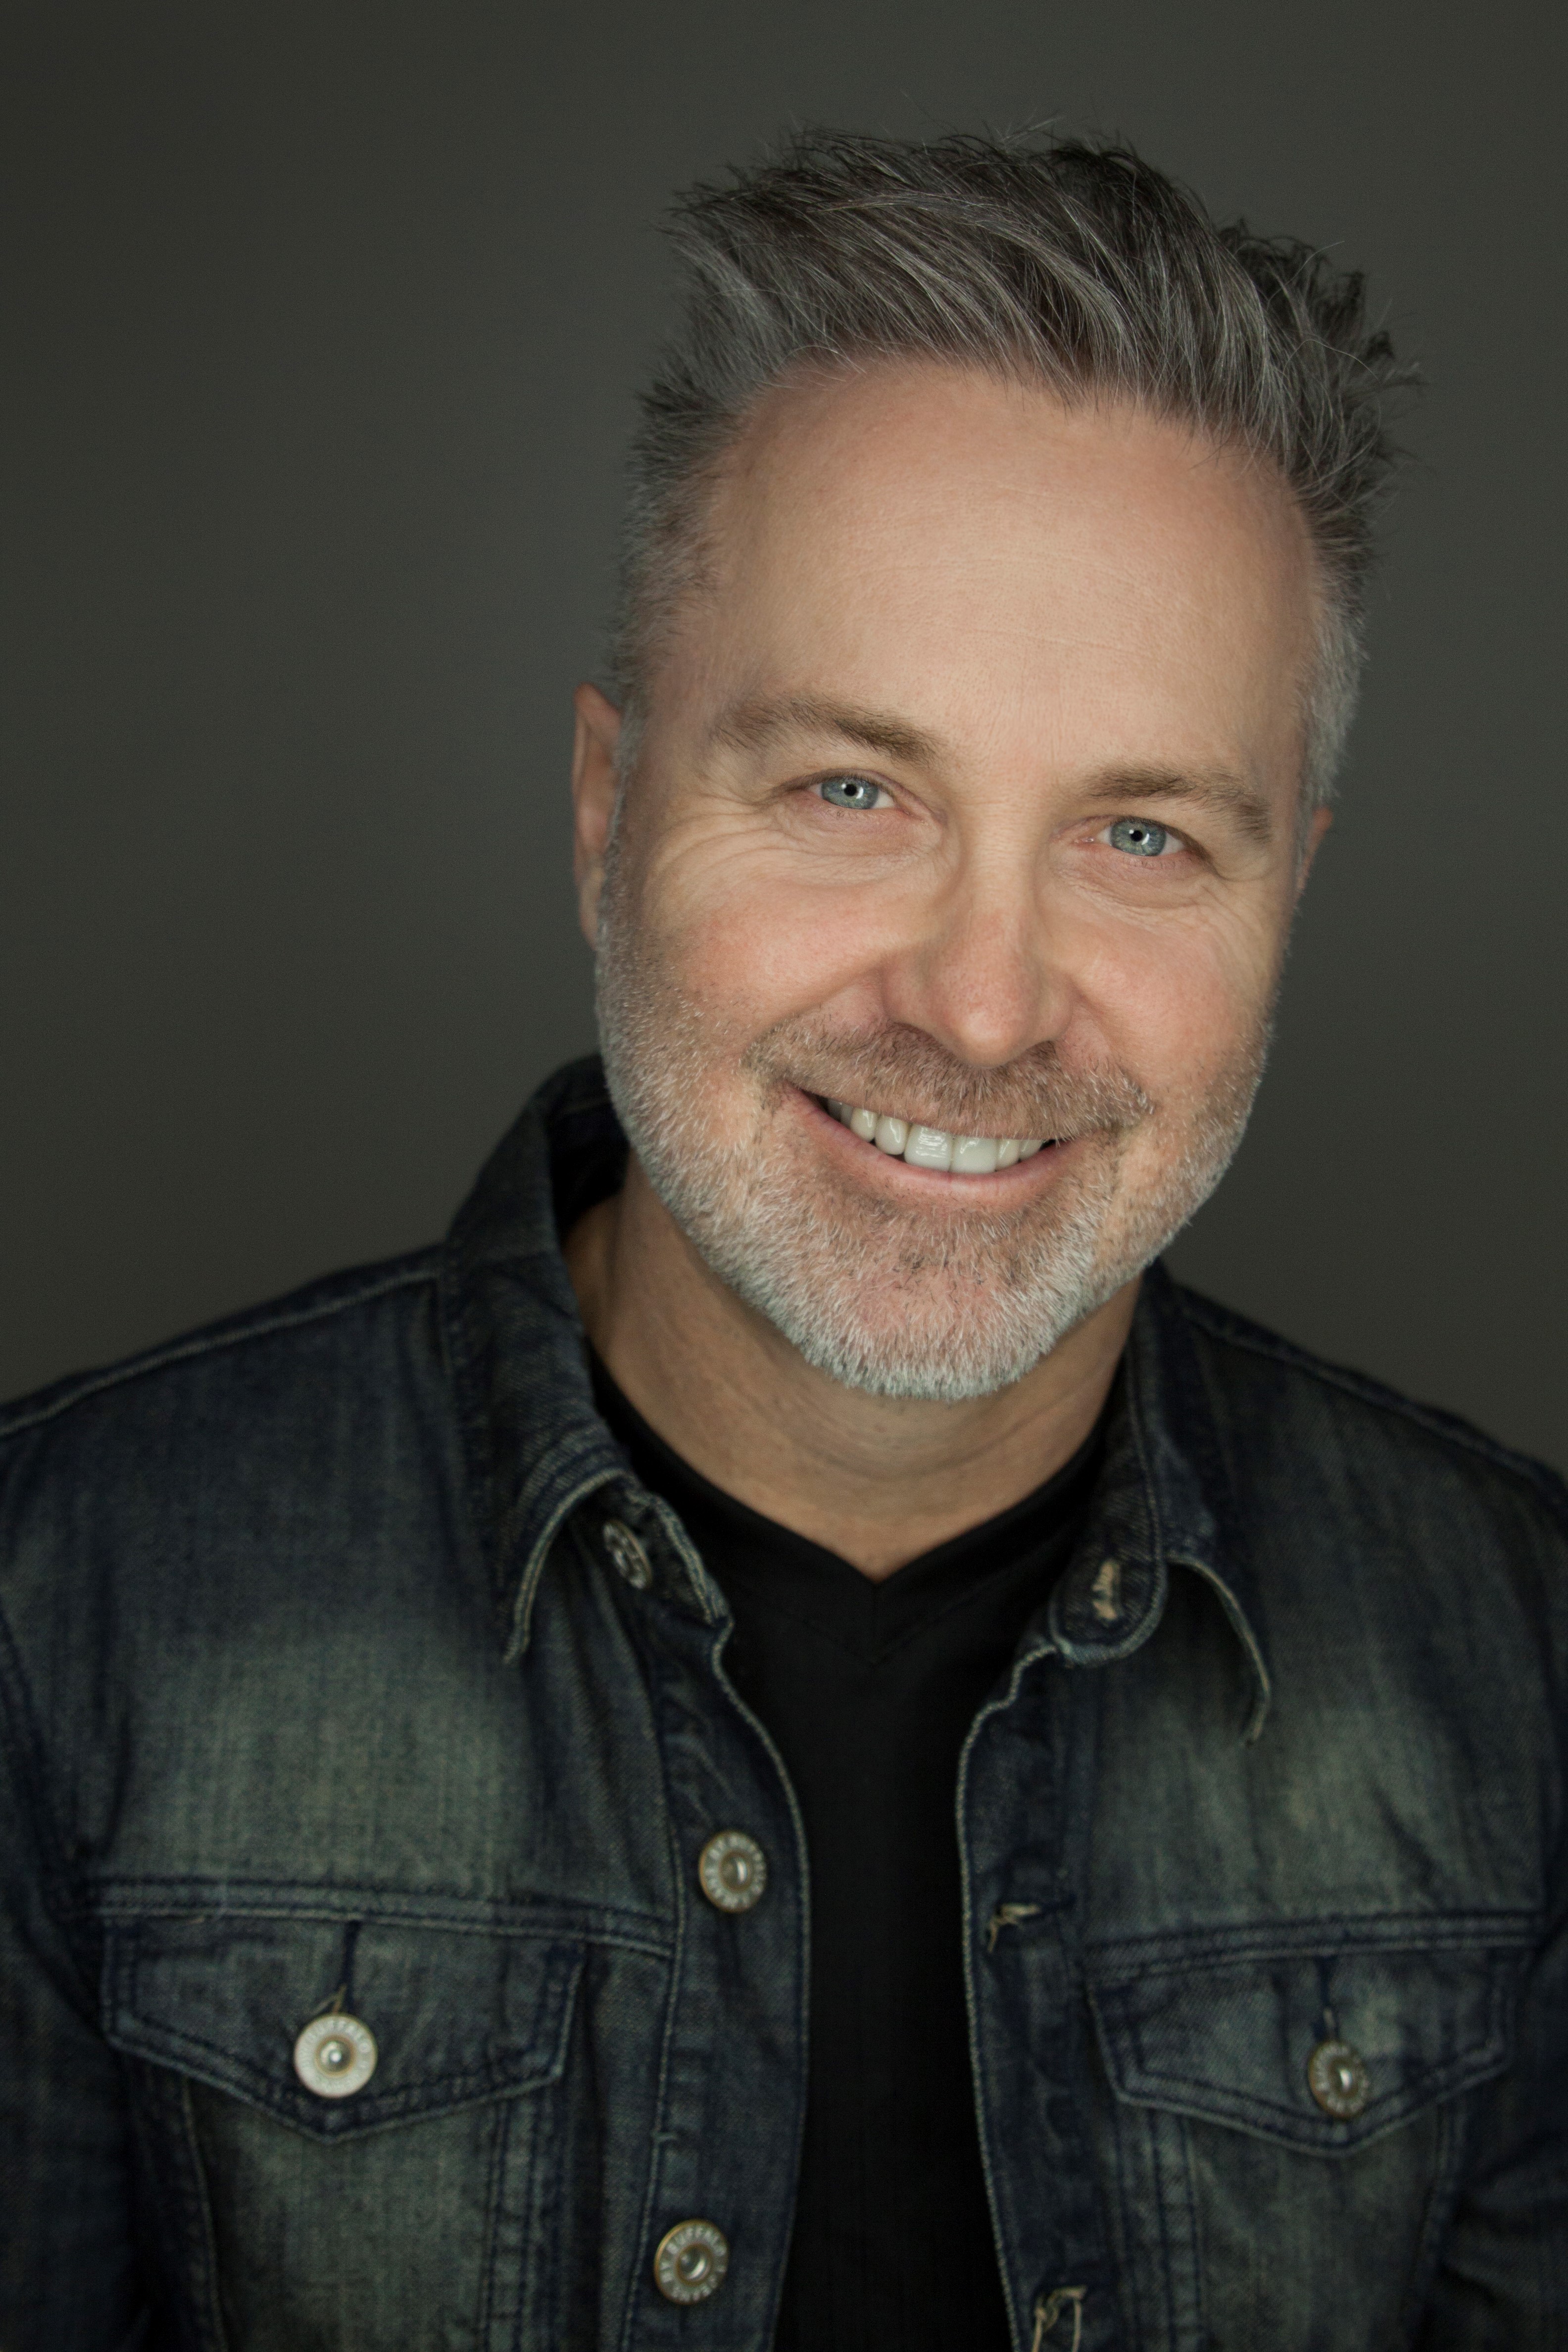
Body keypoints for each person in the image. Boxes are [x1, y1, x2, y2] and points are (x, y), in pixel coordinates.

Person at [1, 129, 1563, 2352]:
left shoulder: (1522, 1679)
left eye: (1138, 832)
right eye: (854, 790)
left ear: (1286, 888)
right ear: (602, 815)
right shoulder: (59, 1625)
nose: (985, 1000)